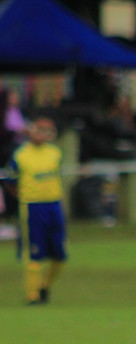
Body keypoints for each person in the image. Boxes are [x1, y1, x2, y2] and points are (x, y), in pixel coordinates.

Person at [11, 116, 67, 305]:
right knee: (34, 253)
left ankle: (45, 287)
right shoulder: (20, 155)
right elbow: (11, 182)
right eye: (39, 129)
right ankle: (32, 295)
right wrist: (24, 196)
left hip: (54, 205)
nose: (43, 134)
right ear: (31, 130)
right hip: (32, 207)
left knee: (60, 255)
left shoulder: (55, 153)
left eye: (47, 131)